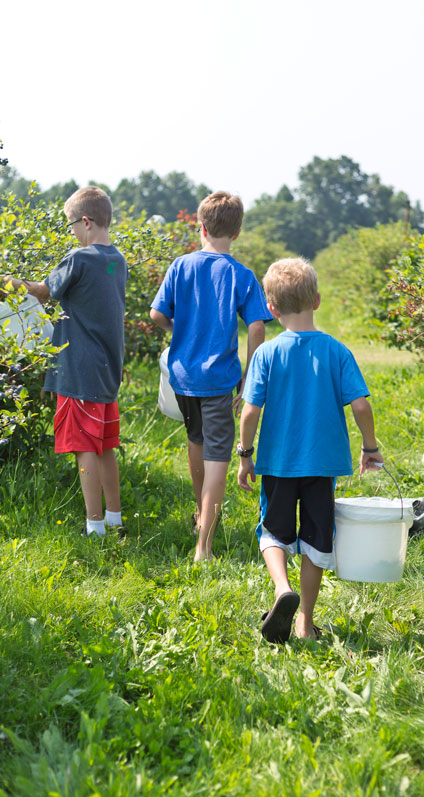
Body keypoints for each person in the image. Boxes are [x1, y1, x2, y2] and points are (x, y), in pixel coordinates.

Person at [237, 257, 384, 643]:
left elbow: (250, 410)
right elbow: (362, 405)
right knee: (317, 540)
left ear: (271, 309)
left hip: (278, 464)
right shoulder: (337, 351)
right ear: (316, 300)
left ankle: (281, 587)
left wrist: (245, 454)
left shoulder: (267, 354)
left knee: (273, 531)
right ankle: (304, 621)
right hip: (322, 465)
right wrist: (370, 447)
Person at [150, 191, 271, 560]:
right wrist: (250, 375)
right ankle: (204, 545)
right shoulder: (242, 275)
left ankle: (202, 514)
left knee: (196, 441)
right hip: (219, 380)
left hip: (182, 377)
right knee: (218, 456)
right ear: (236, 232)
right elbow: (256, 328)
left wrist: (181, 332)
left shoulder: (181, 265)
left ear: (200, 227)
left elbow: (157, 315)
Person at [3, 187, 128, 536]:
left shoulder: (80, 258)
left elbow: (43, 291)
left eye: (72, 224)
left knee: (83, 448)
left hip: (78, 368)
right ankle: (114, 518)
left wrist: (7, 282)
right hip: (106, 370)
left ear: (86, 221)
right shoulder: (117, 260)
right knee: (104, 445)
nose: (71, 231)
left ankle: (94, 526)